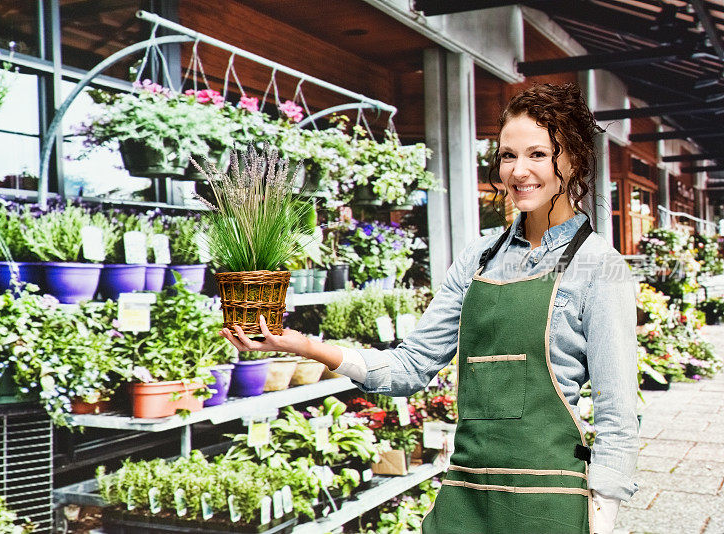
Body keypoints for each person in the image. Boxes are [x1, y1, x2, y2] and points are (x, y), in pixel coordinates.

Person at [219, 83, 638, 534]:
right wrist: (304, 345)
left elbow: (618, 412)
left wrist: (604, 516)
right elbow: (409, 367)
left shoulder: (599, 266)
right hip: (465, 499)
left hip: (548, 502)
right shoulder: (479, 258)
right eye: (507, 156)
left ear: (572, 157)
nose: (519, 171)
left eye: (537, 154)